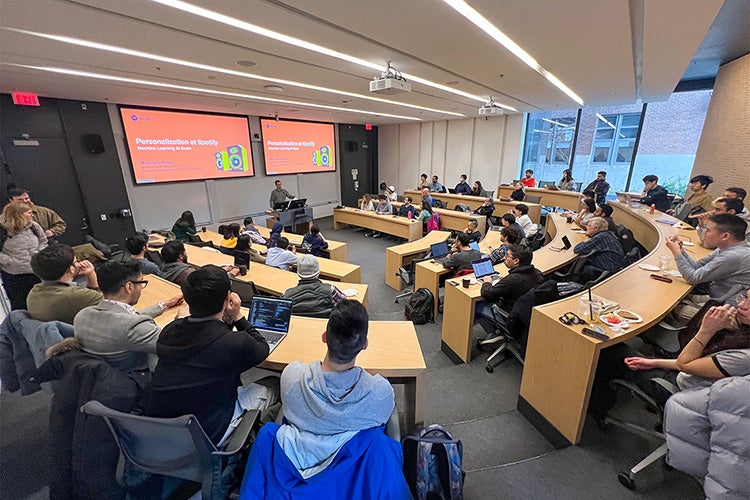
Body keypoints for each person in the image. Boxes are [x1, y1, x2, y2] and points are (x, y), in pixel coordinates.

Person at [243, 300, 404, 496]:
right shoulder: (379, 392)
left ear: (324, 337)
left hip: (292, 469)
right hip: (348, 478)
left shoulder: (292, 377)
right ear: (365, 345)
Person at [145, 265, 276, 445]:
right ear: (227, 299)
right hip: (208, 432)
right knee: (274, 384)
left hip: (162, 430)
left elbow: (207, 340)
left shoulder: (169, 331)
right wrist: (237, 316)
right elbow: (262, 348)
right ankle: (250, 440)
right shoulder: (234, 343)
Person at [588, 290, 750, 424]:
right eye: (746, 297)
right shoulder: (742, 333)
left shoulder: (743, 357)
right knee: (623, 354)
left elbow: (684, 364)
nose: (742, 305)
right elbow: (698, 364)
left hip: (685, 393)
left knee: (609, 351)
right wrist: (654, 361)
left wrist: (707, 330)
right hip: (693, 377)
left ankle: (597, 409)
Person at [73, 260, 182, 373]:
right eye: (141, 283)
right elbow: (172, 343)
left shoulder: (81, 316)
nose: (141, 288)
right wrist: (181, 319)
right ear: (129, 287)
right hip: (139, 377)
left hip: (102, 377)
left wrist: (163, 305)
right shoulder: (134, 328)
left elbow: (125, 316)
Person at [666, 214, 750, 322]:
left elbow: (692, 278)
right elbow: (697, 266)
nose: (704, 233)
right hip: (717, 296)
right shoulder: (730, 247)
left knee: (669, 307)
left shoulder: (734, 256)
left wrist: (676, 253)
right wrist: (681, 250)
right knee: (676, 296)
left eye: (708, 230)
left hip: (727, 310)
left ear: (725, 236)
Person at [475, 244, 543, 345]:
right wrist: (506, 280)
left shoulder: (512, 280)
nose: (503, 258)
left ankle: (495, 334)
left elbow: (486, 293)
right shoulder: (538, 273)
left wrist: (487, 282)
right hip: (529, 315)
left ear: (516, 261)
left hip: (510, 317)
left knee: (477, 306)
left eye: (507, 256)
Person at [26, 244, 102, 324]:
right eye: (76, 261)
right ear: (71, 269)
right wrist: (92, 274)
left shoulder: (33, 293)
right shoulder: (75, 295)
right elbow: (108, 305)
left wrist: (89, 274)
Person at [0, 202, 47, 310]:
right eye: (29, 213)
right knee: (21, 307)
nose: (32, 215)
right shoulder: (2, 230)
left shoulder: (34, 226)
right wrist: (10, 261)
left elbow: (43, 241)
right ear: (18, 215)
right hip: (14, 276)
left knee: (42, 305)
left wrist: (39, 254)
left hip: (37, 271)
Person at [572, 217, 624, 282]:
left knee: (584, 266)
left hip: (608, 271)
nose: (586, 227)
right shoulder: (608, 234)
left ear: (596, 228)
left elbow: (577, 249)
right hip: (613, 268)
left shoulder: (600, 237)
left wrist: (585, 241)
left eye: (588, 226)